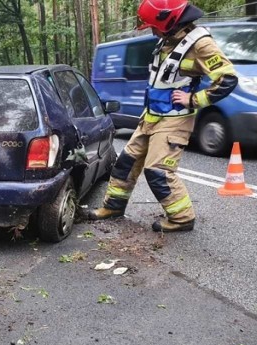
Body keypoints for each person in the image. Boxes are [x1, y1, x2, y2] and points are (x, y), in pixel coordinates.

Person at [82, 0, 238, 232]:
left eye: (154, 26)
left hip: (174, 120)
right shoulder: (169, 39)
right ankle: (113, 207)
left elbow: (227, 79)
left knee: (158, 171)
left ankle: (182, 218)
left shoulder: (201, 43)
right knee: (126, 162)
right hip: (151, 117)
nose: (153, 31)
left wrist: (193, 100)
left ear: (170, 21)